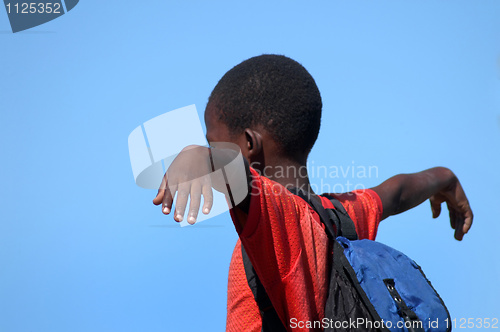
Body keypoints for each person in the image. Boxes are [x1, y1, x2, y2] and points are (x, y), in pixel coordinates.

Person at [152, 54, 473, 331]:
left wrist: (198, 154)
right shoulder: (343, 217)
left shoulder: (277, 219)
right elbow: (396, 193)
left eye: (215, 141)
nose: (211, 148)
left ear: (249, 145)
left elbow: (237, 177)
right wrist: (444, 178)